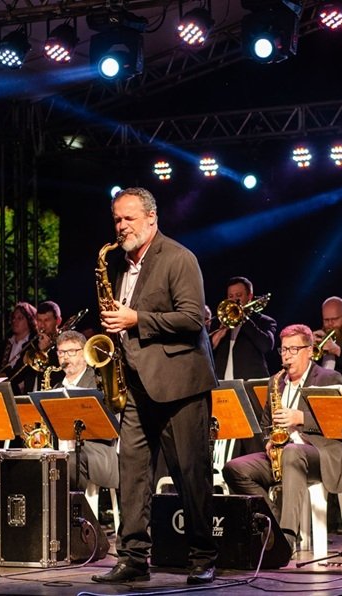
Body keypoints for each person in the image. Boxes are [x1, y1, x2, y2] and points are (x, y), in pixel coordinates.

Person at [91, 187, 219, 585]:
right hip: (136, 385)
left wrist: (136, 319)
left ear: (151, 219)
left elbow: (192, 319)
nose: (121, 226)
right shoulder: (117, 265)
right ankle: (132, 558)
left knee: (189, 473)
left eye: (129, 218)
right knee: (132, 472)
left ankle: (203, 555)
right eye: (116, 219)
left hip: (180, 385)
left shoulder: (179, 257)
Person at [222, 324, 342, 550]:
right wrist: (269, 440)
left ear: (309, 350)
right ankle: (274, 524)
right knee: (234, 468)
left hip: (318, 454)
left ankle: (286, 538)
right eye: (283, 350)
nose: (286, 356)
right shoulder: (275, 382)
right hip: (282, 455)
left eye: (293, 350)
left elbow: (338, 422)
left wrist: (300, 417)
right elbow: (264, 424)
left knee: (292, 451)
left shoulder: (328, 377)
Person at [50, 330, 119, 492]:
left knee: (68, 462)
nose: (65, 357)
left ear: (84, 354)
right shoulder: (56, 388)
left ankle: (76, 513)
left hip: (96, 452)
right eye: (61, 352)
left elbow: (109, 430)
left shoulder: (99, 384)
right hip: (62, 450)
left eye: (72, 352)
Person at [210, 276, 277, 381]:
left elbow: (266, 346)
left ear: (249, 296)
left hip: (249, 384)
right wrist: (219, 334)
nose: (234, 300)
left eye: (238, 295)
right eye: (230, 296)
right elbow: (205, 351)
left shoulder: (264, 321)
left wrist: (244, 319)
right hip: (220, 383)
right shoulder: (219, 321)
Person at [0, 300, 38, 394]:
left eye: (20, 318)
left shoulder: (34, 344)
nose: (15, 321)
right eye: (14, 318)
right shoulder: (5, 344)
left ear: (29, 320)